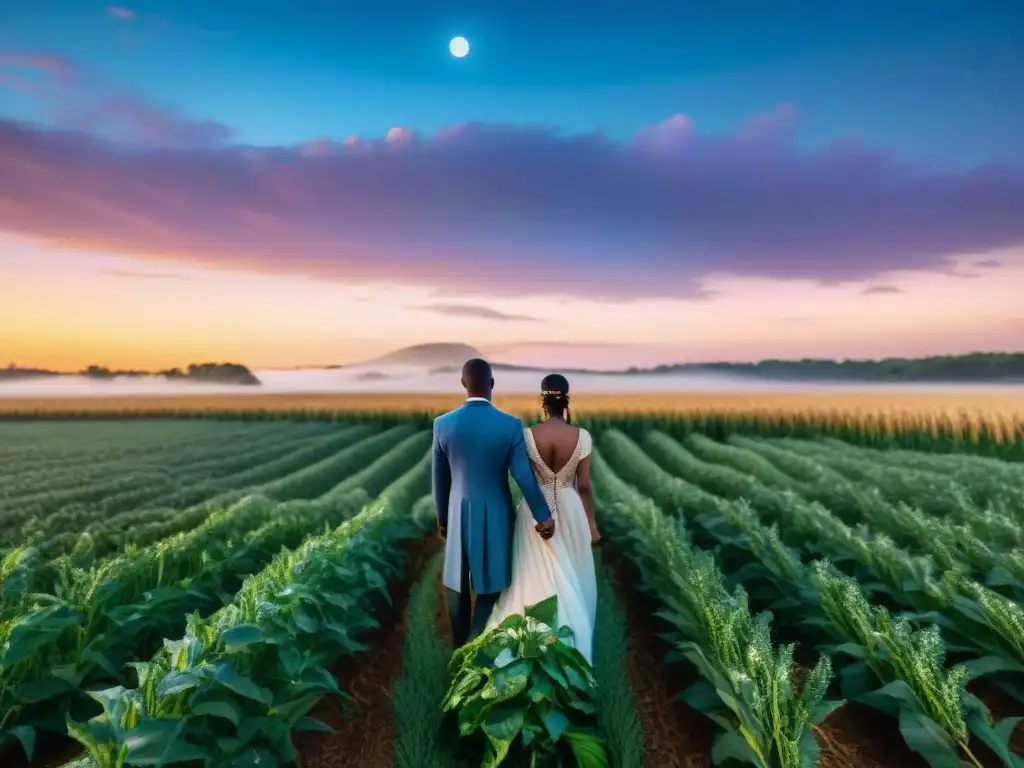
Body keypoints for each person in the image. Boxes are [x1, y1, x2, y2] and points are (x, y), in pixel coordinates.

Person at [432, 358, 555, 649]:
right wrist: (543, 515)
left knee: (456, 585)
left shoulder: (442, 425)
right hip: (496, 514)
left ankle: (460, 645)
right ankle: (475, 645)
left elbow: (440, 479)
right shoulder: (510, 426)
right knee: (492, 586)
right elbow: (523, 476)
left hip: (458, 511)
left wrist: (443, 520)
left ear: (463, 384)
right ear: (492, 384)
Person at [483, 373, 600, 664]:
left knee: (530, 573)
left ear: (543, 402)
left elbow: (522, 477)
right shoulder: (582, 437)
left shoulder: (527, 435)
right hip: (570, 509)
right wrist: (592, 526)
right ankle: (569, 639)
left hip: (536, 511)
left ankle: (528, 638)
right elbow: (583, 487)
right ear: (566, 401)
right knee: (572, 573)